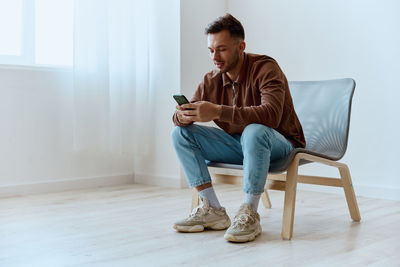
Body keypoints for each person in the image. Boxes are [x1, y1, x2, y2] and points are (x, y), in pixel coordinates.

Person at [170, 13, 305, 243]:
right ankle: (212, 208)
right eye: (211, 50)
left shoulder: (265, 68)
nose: (215, 57)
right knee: (180, 134)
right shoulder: (211, 79)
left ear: (240, 46)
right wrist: (183, 116)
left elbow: (270, 116)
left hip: (280, 143)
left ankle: (249, 212)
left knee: (254, 130)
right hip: (240, 144)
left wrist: (218, 111)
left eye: (221, 49)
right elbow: (183, 116)